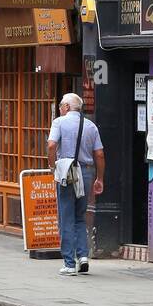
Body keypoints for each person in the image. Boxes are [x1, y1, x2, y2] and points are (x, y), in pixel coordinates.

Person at [47, 93, 106, 276]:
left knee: (66, 217)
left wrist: (52, 166)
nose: (59, 108)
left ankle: (69, 263)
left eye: (60, 105)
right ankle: (83, 257)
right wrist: (100, 178)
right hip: (86, 172)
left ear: (66, 107)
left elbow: (51, 145)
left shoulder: (59, 122)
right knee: (80, 216)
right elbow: (100, 154)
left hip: (67, 171)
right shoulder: (91, 126)